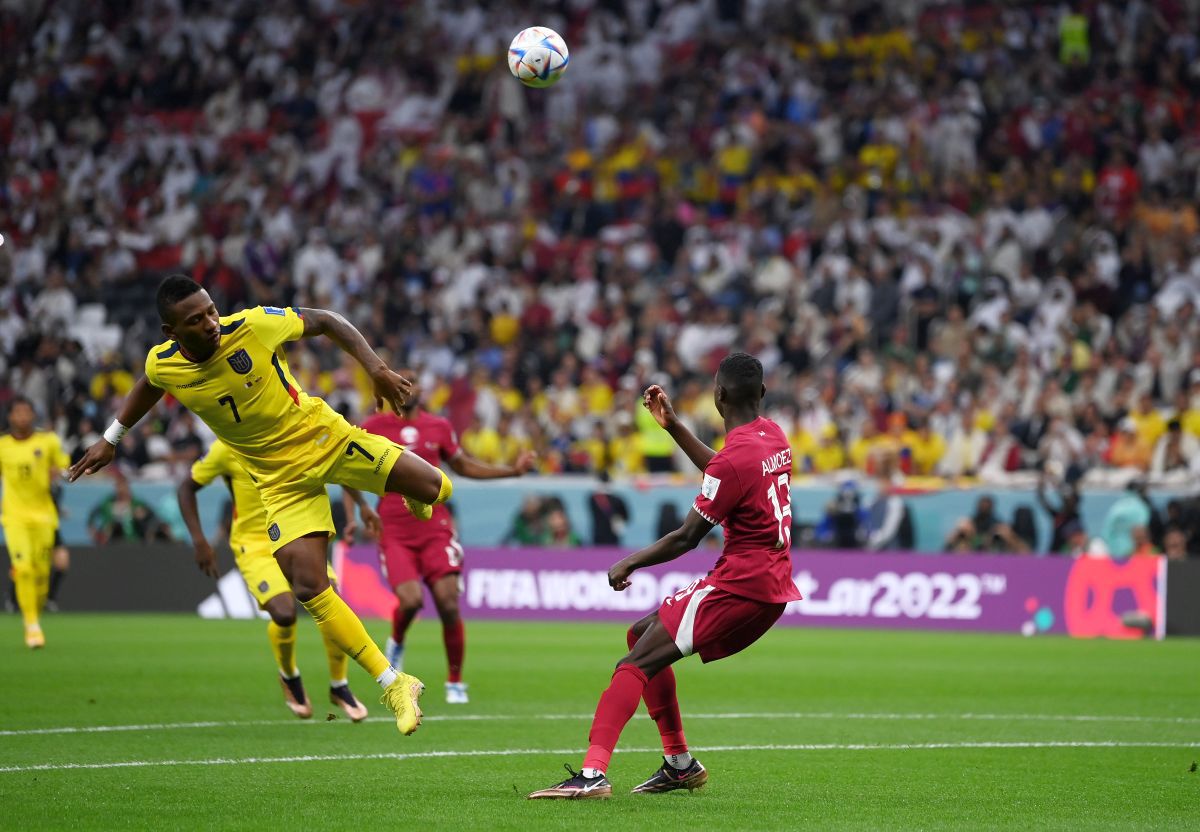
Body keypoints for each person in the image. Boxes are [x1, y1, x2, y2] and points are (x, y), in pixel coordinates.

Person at [69, 275, 450, 736]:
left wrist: (375, 368)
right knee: (309, 587)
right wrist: (112, 439)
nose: (210, 322)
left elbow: (327, 322)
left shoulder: (252, 325)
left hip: (325, 439)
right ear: (172, 332)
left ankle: (410, 491)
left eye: (210, 310)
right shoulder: (164, 362)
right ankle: (393, 683)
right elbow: (149, 385)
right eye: (196, 319)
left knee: (436, 488)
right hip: (280, 481)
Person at [528, 353, 801, 799]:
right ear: (762, 394)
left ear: (719, 395)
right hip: (770, 584)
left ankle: (592, 775)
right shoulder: (773, 436)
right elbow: (728, 468)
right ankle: (680, 765)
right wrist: (672, 426)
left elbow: (686, 538)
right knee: (640, 636)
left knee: (632, 666)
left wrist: (629, 562)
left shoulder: (734, 460)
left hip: (739, 585)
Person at [360, 368, 534, 705]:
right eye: (404, 380)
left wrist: (512, 470)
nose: (411, 386)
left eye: (415, 380)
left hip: (435, 527)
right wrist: (361, 509)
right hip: (395, 527)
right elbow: (347, 467)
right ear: (391, 386)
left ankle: (455, 682)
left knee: (448, 602)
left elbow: (464, 465)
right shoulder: (373, 428)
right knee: (410, 601)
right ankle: (396, 641)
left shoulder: (438, 427)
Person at [178, 438, 379, 721]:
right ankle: (289, 676)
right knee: (284, 613)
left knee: (332, 599)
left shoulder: (292, 433)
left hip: (297, 535)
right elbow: (187, 487)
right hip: (255, 544)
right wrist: (199, 540)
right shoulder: (226, 447)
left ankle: (339, 685)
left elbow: (338, 466)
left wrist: (362, 505)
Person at [0, 397, 70, 648]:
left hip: (43, 516)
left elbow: (65, 468)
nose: (22, 417)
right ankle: (31, 625)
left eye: (26, 412)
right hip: (14, 517)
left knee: (41, 574)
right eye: (17, 412)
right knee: (24, 569)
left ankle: (35, 615)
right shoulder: (3, 446)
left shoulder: (48, 441)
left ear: (33, 415)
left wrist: (61, 472)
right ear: (10, 417)